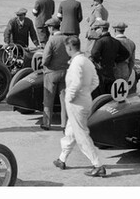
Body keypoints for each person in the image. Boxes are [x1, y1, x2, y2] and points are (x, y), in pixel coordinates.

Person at [53, 36, 107, 177]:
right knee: (71, 131)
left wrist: (69, 97)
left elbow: (76, 83)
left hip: (76, 103)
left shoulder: (76, 63)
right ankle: (62, 159)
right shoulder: (86, 61)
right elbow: (95, 81)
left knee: (81, 135)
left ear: (69, 47)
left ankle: (98, 165)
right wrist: (85, 92)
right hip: (85, 101)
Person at [40, 17, 70, 130]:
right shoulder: (67, 39)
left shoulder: (52, 40)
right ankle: (64, 124)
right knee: (64, 101)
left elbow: (45, 59)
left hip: (51, 73)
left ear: (51, 28)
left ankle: (46, 123)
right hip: (65, 72)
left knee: (48, 100)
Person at [89, 20, 130, 97]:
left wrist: (97, 62)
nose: (95, 31)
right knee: (110, 96)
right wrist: (115, 60)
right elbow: (126, 54)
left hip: (101, 74)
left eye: (96, 29)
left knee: (100, 97)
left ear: (101, 29)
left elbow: (94, 53)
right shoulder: (115, 41)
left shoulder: (100, 41)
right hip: (111, 73)